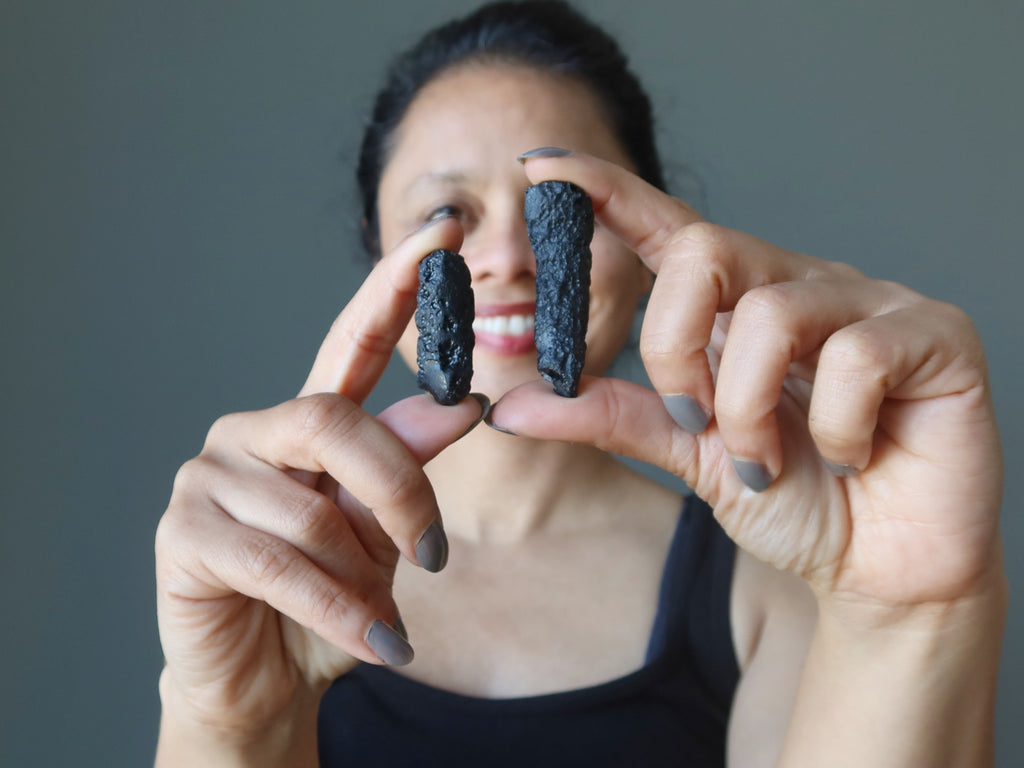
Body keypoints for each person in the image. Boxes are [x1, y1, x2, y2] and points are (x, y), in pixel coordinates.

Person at [153, 2, 1007, 766]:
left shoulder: (765, 588)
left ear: (646, 254)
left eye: (556, 210)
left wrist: (911, 618)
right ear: (377, 258)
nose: (505, 258)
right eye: (443, 216)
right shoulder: (277, 576)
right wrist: (228, 726)